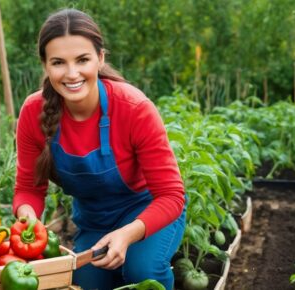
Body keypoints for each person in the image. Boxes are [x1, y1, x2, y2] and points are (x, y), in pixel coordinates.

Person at [13, 8, 186, 290]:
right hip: (95, 221)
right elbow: (29, 189)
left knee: (141, 270)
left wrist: (128, 235)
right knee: (86, 282)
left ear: (100, 58)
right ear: (45, 65)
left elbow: (170, 196)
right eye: (58, 62)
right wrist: (28, 217)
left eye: (82, 60)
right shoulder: (34, 113)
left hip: (148, 211)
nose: (71, 73)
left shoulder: (133, 109)